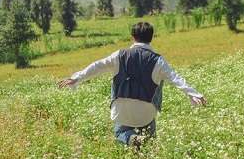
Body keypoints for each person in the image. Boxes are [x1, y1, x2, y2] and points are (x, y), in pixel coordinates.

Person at [58, 21, 208, 150]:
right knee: (148, 139)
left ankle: (131, 138)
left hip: (121, 110)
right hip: (146, 112)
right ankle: (145, 154)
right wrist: (193, 93)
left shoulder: (119, 55)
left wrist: (76, 78)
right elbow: (175, 78)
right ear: (151, 38)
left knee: (120, 133)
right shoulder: (158, 61)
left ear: (133, 38)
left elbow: (97, 66)